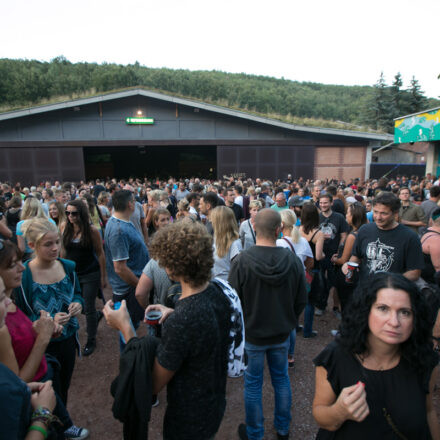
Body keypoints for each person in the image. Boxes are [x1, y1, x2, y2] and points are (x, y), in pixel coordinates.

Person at [104, 220, 235, 440]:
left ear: (172, 268)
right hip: (213, 403)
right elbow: (202, 324)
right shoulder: (217, 293)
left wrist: (126, 328)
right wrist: (172, 311)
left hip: (188, 420)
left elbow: (153, 384)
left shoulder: (183, 320)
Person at [312, 273, 440, 439]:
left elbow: (429, 411)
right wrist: (339, 412)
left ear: (415, 317)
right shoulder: (335, 357)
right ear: (366, 311)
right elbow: (320, 412)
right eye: (383, 308)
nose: (394, 322)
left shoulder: (424, 360)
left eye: (405, 312)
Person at [229, 208, 307, 440]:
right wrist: (288, 320)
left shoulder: (242, 261)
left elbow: (234, 302)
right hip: (281, 334)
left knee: (253, 385)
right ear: (279, 229)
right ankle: (282, 428)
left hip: (252, 335)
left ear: (254, 229)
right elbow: (301, 299)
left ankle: (255, 433)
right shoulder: (292, 260)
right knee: (281, 379)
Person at [0, 240, 89, 440]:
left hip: (43, 376)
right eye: (12, 264)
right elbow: (15, 383)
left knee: (61, 394)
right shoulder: (2, 323)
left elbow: (76, 293)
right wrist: (44, 336)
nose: (21, 267)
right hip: (31, 397)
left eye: (58, 241)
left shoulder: (9, 301)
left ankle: (66, 425)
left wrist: (41, 327)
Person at [344, 192, 425, 283]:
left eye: (384, 213)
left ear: (395, 214)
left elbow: (415, 272)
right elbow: (356, 256)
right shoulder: (364, 230)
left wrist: (389, 282)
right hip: (365, 289)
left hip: (392, 293)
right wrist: (348, 265)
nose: (378, 217)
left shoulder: (410, 237)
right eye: (375, 212)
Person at [104, 189, 149, 348]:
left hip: (130, 289)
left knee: (132, 326)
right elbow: (120, 268)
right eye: (135, 202)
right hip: (128, 291)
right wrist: (141, 285)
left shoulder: (121, 223)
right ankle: (130, 367)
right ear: (130, 204)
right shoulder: (118, 230)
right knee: (128, 331)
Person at [62, 200, 106, 356]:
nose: (70, 216)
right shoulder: (64, 228)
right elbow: (63, 252)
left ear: (81, 213)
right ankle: (96, 314)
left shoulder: (92, 231)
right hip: (73, 274)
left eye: (74, 213)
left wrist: (103, 276)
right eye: (67, 213)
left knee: (87, 306)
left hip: (90, 273)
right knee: (78, 306)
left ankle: (91, 339)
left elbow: (100, 253)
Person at [277, 209, 313, 367]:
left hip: (284, 284)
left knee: (284, 318)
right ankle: (290, 355)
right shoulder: (303, 241)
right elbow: (311, 263)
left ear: (281, 224)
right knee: (292, 319)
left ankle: (284, 353)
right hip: (299, 283)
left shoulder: (278, 243)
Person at [317, 193, 349, 316]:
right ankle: (321, 304)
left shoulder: (339, 217)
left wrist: (339, 251)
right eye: (321, 203)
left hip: (334, 256)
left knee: (332, 281)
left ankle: (328, 304)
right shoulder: (317, 217)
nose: (323, 205)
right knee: (320, 282)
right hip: (320, 254)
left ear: (331, 203)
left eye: (325, 202)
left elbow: (344, 235)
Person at [331, 203, 367, 313]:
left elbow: (344, 260)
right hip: (359, 273)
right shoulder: (364, 232)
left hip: (347, 273)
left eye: (348, 213)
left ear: (353, 216)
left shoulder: (352, 236)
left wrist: (334, 260)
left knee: (346, 303)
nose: (346, 216)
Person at [211, 206, 242, 281]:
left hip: (226, 286)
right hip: (214, 284)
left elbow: (238, 271)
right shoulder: (214, 239)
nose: (210, 221)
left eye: (213, 219)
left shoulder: (235, 243)